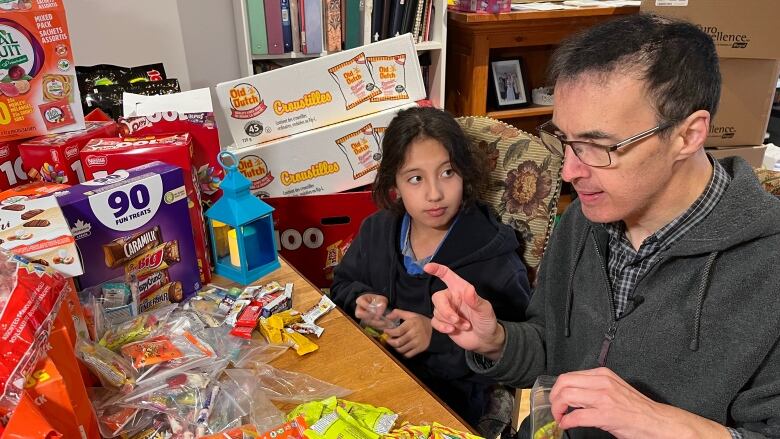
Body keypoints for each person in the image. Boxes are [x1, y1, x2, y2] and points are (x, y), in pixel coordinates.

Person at [426, 13, 780, 439]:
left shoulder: (768, 267)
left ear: (688, 135)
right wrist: (495, 340)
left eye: (597, 146)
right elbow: (553, 355)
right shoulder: (586, 218)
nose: (570, 171)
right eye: (565, 141)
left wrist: (661, 423)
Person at [331, 106, 531, 430]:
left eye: (447, 172)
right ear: (393, 181)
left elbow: (513, 352)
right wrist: (361, 299)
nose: (435, 193)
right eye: (415, 178)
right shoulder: (377, 230)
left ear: (465, 173)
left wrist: (435, 337)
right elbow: (342, 284)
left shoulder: (495, 257)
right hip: (374, 381)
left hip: (448, 406)